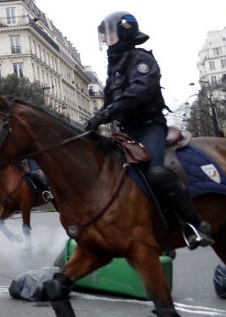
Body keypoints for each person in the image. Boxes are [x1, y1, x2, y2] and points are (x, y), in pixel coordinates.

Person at [85, 11, 213, 250]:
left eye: (109, 33)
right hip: (126, 130)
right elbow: (110, 101)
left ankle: (194, 224)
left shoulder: (141, 60)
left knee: (156, 173)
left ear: (124, 32)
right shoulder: (115, 67)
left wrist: (106, 113)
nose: (105, 39)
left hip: (149, 127)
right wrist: (95, 119)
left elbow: (138, 92)